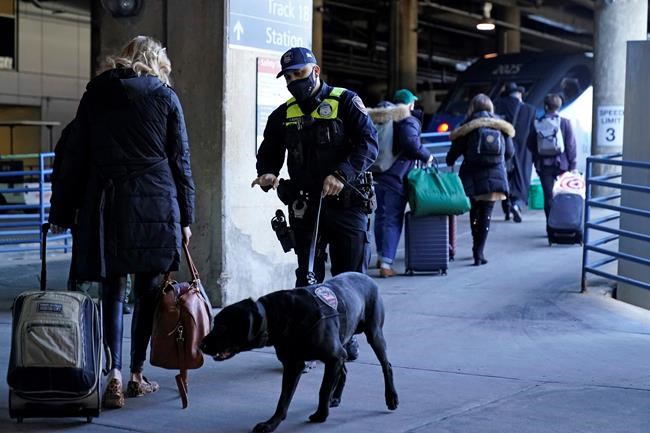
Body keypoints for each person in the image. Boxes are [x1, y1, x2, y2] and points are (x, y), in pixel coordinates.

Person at [49, 36, 196, 409]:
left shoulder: (94, 95)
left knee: (112, 290)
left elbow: (74, 158)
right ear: (156, 62)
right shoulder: (165, 98)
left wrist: (62, 212)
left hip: (106, 204)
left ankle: (112, 374)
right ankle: (135, 375)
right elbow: (181, 163)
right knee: (148, 292)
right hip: (156, 206)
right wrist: (187, 217)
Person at [251, 47, 378, 360]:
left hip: (347, 203)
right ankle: (305, 340)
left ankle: (346, 337)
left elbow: (368, 145)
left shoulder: (345, 101)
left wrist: (342, 174)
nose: (295, 81)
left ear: (316, 71)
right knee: (307, 277)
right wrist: (266, 173)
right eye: (289, 77)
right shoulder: (283, 114)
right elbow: (269, 150)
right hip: (306, 206)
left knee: (349, 276)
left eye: (301, 74)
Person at [368, 89, 432, 278]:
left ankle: (380, 256)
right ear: (410, 104)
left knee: (380, 216)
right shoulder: (406, 119)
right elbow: (411, 143)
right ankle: (387, 264)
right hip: (395, 176)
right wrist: (426, 156)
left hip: (376, 173)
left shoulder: (379, 117)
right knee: (393, 219)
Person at [446, 94, 514, 266]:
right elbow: (510, 153)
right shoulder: (500, 126)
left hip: (471, 175)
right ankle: (479, 251)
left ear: (472, 108)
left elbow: (454, 153)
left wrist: (451, 161)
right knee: (486, 215)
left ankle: (474, 244)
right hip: (494, 175)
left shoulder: (467, 127)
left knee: (474, 213)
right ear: (490, 107)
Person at [527, 93, 578, 220]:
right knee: (563, 195)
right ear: (559, 107)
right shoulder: (565, 123)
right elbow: (571, 146)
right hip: (563, 165)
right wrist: (573, 166)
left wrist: (537, 158)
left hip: (544, 166)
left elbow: (530, 144)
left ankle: (550, 227)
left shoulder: (538, 123)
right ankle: (563, 224)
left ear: (545, 106)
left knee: (548, 197)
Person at [493, 82, 536, 223]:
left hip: (503, 150)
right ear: (519, 94)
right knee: (521, 179)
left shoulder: (498, 106)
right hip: (523, 152)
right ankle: (517, 205)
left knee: (505, 178)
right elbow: (533, 133)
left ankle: (507, 210)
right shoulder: (529, 110)